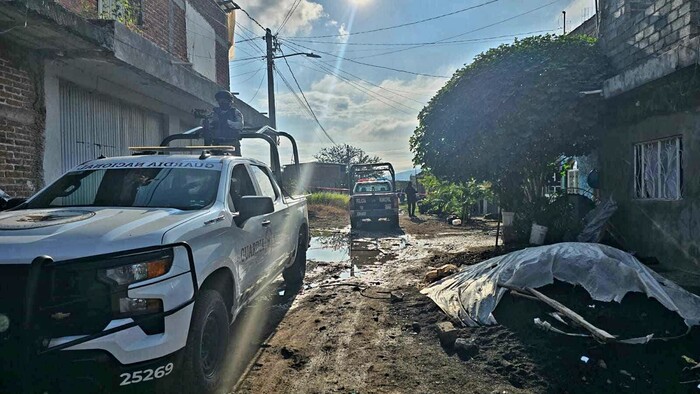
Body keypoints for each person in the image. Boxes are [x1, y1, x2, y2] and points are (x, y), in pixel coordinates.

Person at [204, 90, 244, 156]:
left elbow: (240, 125)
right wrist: (209, 124)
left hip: (232, 143)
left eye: (224, 100)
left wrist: (227, 122)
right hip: (217, 144)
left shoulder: (235, 112)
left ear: (230, 101)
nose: (222, 102)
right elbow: (207, 123)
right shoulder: (214, 113)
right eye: (220, 100)